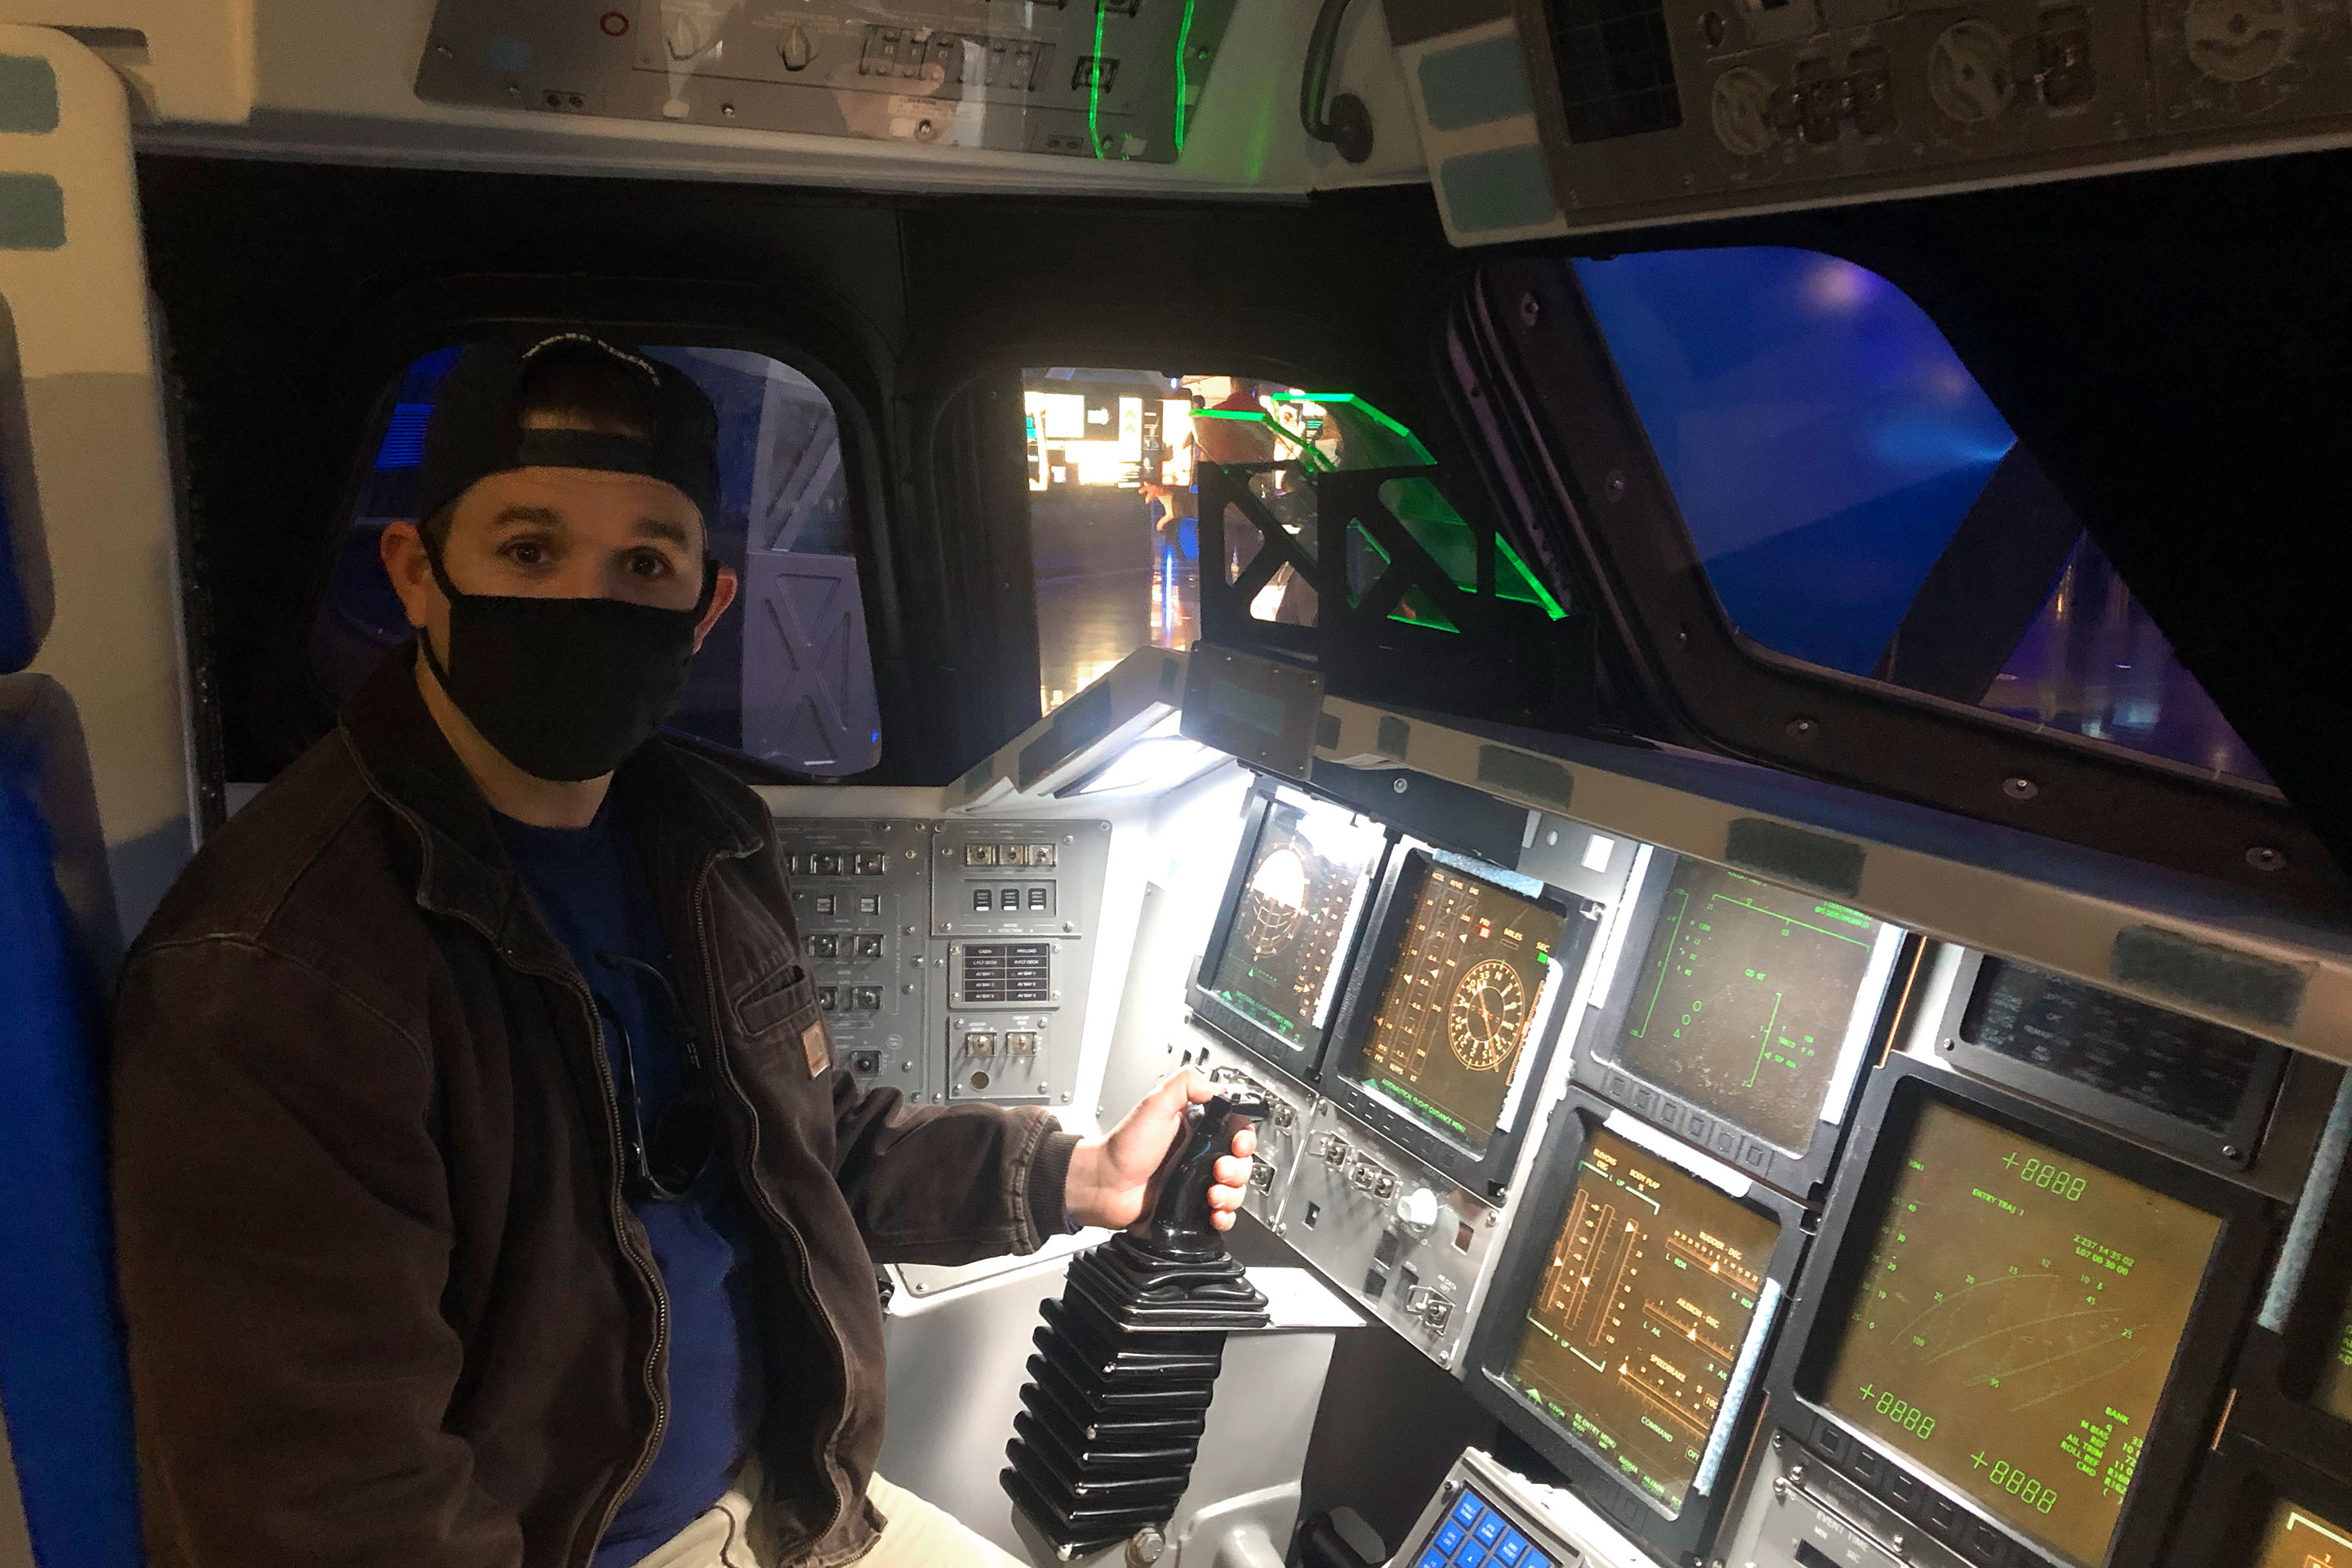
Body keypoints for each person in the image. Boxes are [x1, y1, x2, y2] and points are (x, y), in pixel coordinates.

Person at [110, 332, 1255, 1568]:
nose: (583, 603)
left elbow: (803, 1139)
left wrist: (1075, 1178)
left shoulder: (695, 835)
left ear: (703, 604)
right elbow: (325, 1509)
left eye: (642, 561)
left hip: (790, 1499)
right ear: (416, 571)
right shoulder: (279, 976)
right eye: (530, 550)